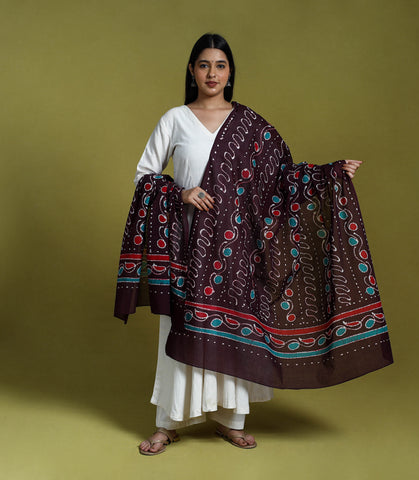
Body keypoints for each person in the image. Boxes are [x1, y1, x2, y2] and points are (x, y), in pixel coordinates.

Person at [115, 33, 391, 455]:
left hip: (238, 250)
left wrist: (328, 175)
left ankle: (232, 421)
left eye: (220, 65)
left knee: (237, 331)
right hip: (188, 247)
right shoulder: (175, 119)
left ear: (230, 73)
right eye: (204, 65)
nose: (212, 73)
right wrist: (181, 193)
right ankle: (167, 424)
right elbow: (144, 177)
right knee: (179, 330)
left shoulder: (252, 127)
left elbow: (281, 180)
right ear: (191, 71)